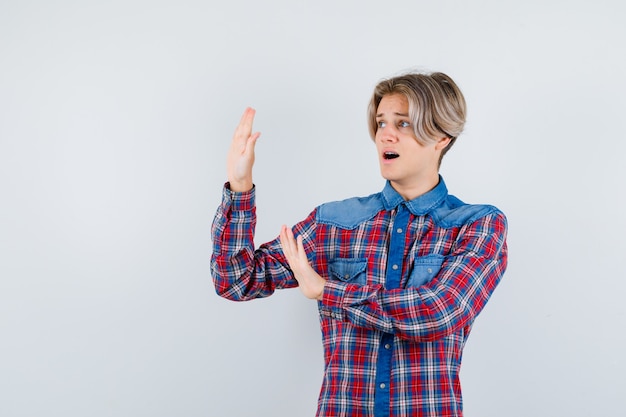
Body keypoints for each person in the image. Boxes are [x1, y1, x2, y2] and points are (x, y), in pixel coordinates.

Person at [211, 71, 508, 417]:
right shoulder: (333, 224)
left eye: (404, 124)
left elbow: (439, 311)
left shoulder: (477, 224)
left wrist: (327, 290)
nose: (386, 135)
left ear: (441, 136)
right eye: (381, 123)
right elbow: (235, 280)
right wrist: (240, 186)